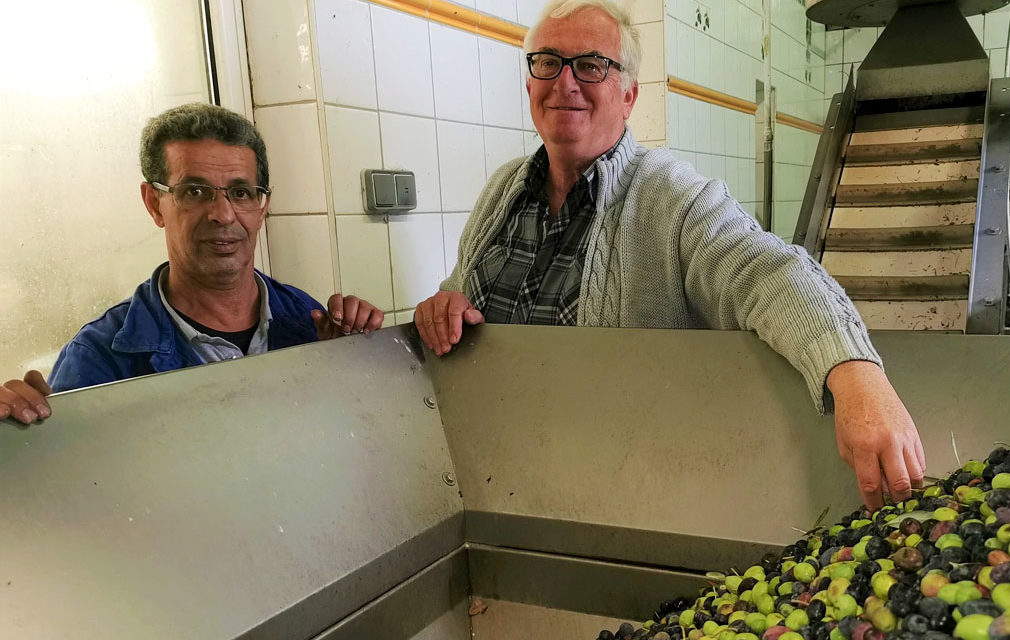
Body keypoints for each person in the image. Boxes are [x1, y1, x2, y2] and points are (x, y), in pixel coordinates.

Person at [413, 0, 926, 510]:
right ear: (530, 83)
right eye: (548, 61)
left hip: (626, 495)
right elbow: (458, 295)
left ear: (628, 94)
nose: (565, 82)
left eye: (591, 65)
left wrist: (855, 373)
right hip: (496, 488)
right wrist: (443, 307)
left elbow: (767, 273)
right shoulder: (501, 192)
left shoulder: (673, 199)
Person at [1, 103, 384, 424]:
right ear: (154, 203)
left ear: (262, 206)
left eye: (240, 192)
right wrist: (23, 444)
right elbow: (79, 496)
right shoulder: (101, 360)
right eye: (195, 191)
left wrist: (351, 366)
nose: (223, 214)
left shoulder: (308, 321)